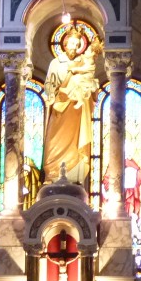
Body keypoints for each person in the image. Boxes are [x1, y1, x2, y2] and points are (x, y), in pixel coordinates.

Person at [43, 27, 101, 183]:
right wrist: (52, 95)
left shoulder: (82, 62)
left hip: (76, 110)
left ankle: (74, 172)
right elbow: (49, 84)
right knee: (54, 140)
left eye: (77, 44)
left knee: (76, 140)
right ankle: (53, 172)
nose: (74, 47)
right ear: (66, 44)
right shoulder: (56, 63)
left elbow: (90, 84)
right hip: (60, 107)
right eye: (72, 43)